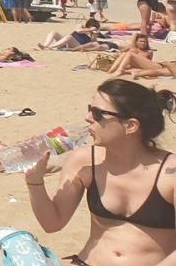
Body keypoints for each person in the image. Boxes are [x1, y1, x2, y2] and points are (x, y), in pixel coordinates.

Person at [15, 79, 176, 265]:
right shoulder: (83, 161)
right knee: (1, 254)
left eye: (98, 113)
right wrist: (34, 181)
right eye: (89, 108)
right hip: (88, 262)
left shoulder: (169, 173)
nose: (88, 117)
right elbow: (52, 223)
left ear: (131, 126)